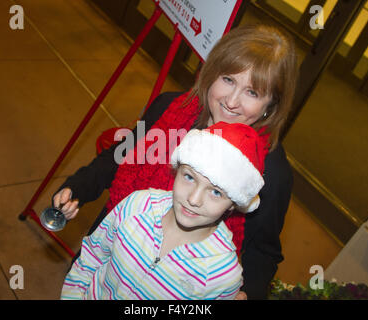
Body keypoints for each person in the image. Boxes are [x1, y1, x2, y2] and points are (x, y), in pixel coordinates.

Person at [54, 23, 298, 299]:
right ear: (211, 73)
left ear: (271, 106)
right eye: (228, 80)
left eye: (252, 92)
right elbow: (118, 157)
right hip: (111, 259)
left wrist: (249, 294)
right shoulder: (170, 108)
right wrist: (77, 188)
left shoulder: (270, 171)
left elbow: (262, 252)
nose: (231, 101)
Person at [61, 122, 269, 299]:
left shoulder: (222, 273)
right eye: (189, 177)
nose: (193, 199)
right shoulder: (137, 206)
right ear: (176, 170)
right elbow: (92, 256)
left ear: (233, 203)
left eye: (215, 192)